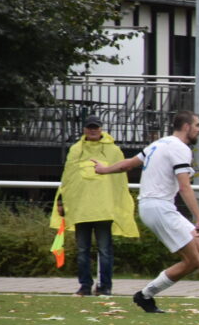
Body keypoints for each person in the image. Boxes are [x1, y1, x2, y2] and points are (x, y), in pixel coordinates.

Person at [92, 110, 199, 316]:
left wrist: (104, 169)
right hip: (159, 208)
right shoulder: (180, 148)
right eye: (197, 125)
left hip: (156, 207)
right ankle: (145, 295)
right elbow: (185, 187)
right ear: (186, 127)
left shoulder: (160, 143)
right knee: (193, 260)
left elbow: (129, 164)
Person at [51, 115, 139, 296]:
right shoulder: (76, 150)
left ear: (101, 129)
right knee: (83, 250)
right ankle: (85, 286)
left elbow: (120, 180)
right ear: (84, 129)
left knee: (104, 250)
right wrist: (61, 201)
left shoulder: (113, 151)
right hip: (81, 209)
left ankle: (105, 286)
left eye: (96, 127)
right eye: (90, 127)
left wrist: (117, 204)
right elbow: (68, 178)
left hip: (104, 209)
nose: (93, 130)